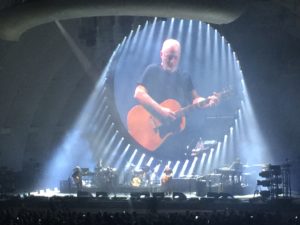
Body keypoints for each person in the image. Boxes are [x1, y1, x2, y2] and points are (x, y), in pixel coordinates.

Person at [132, 39, 219, 152]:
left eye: (175, 57)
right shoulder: (152, 71)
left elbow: (196, 99)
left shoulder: (185, 76)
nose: (172, 61)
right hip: (154, 134)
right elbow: (138, 93)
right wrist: (160, 111)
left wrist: (206, 101)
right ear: (161, 54)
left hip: (175, 136)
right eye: (169, 57)